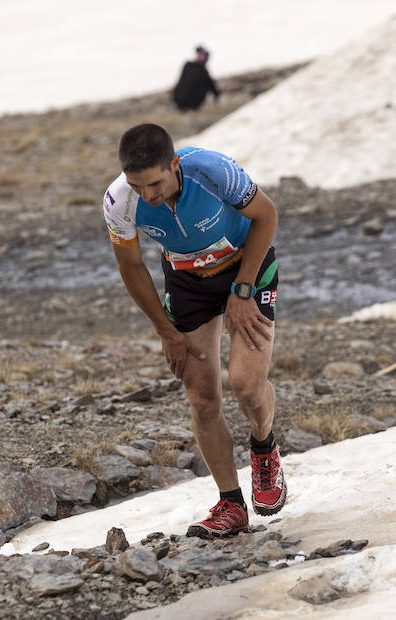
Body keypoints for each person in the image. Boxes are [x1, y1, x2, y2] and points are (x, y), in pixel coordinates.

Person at [102, 123, 285, 538]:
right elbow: (131, 267)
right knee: (202, 397)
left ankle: (263, 446)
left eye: (155, 183)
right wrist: (166, 332)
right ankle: (231, 504)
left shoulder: (213, 170)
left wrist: (242, 291)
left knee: (247, 385)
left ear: (174, 164)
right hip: (187, 283)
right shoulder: (119, 201)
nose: (147, 195)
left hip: (246, 269)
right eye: (137, 185)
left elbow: (267, 216)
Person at [172, 46, 220, 111]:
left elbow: (212, 86)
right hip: (186, 102)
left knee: (204, 84)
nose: (204, 58)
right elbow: (212, 86)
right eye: (202, 55)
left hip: (180, 100)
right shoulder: (194, 68)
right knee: (204, 86)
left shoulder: (189, 65)